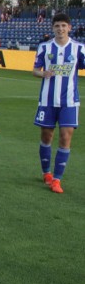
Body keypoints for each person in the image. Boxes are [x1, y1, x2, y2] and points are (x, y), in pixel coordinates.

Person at [32, 13, 85, 194]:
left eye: (63, 25)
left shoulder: (79, 48)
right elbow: (34, 70)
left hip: (69, 102)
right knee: (47, 137)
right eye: (57, 26)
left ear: (69, 27)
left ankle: (57, 180)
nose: (60, 29)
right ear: (52, 28)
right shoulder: (44, 47)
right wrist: (43, 73)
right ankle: (46, 173)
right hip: (47, 100)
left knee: (65, 137)